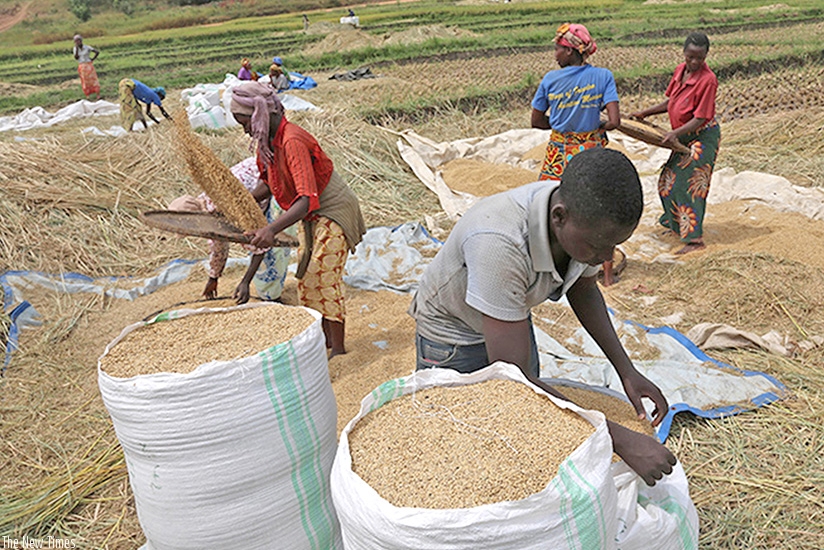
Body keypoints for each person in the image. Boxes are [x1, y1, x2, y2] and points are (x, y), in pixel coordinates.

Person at [408, 148, 677, 486]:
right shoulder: (499, 243)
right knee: (459, 439)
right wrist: (619, 439)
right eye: (599, 247)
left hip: (507, 320)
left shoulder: (585, 225)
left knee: (519, 424)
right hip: (452, 336)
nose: (608, 257)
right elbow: (513, 376)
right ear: (559, 217)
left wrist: (627, 371)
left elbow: (584, 286)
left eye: (615, 245)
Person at [230, 82, 367, 358]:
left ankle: (338, 350)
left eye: (245, 121)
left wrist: (271, 230)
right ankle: (326, 343)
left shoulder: (292, 140)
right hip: (311, 214)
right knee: (306, 276)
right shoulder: (267, 143)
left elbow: (306, 198)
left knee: (323, 276)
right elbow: (268, 184)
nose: (244, 129)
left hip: (333, 209)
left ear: (260, 113)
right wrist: (239, 203)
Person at [531, 23, 621, 285]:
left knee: (548, 204)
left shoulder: (550, 80)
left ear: (571, 51)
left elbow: (536, 121)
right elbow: (614, 121)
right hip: (591, 151)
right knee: (601, 207)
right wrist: (594, 123)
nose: (555, 53)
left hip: (559, 151)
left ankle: (547, 266)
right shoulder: (603, 76)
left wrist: (560, 123)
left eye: (558, 48)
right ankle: (605, 275)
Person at [630, 32, 720, 255]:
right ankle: (675, 224)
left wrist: (674, 133)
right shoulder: (681, 71)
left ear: (706, 55)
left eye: (699, 58)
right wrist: (645, 113)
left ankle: (694, 239)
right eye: (690, 57)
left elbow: (700, 118)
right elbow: (671, 101)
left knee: (688, 184)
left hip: (702, 137)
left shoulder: (708, 80)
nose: (694, 62)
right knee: (666, 180)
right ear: (684, 54)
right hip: (683, 136)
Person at [168, 157, 291, 304]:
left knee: (271, 249)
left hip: (277, 179)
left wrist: (245, 282)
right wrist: (213, 278)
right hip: (263, 168)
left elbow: (259, 248)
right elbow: (218, 246)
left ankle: (274, 298)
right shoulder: (206, 201)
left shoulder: (226, 211)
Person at [72, 34, 100, 100]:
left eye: (79, 40)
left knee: (93, 79)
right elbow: (76, 57)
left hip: (88, 65)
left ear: (81, 40)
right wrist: (76, 49)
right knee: (85, 81)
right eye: (76, 41)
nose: (78, 42)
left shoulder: (87, 47)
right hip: (82, 66)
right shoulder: (75, 49)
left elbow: (97, 52)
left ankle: (97, 94)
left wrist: (92, 59)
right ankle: (88, 95)